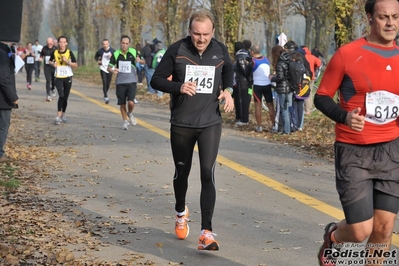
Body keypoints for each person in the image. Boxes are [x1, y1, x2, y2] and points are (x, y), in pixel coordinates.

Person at [315, 1, 399, 265]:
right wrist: (345, 117)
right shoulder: (348, 54)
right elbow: (322, 97)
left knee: (384, 229)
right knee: (361, 230)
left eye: (395, 17)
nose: (390, 23)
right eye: (384, 17)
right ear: (369, 18)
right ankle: (334, 237)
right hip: (354, 151)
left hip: (392, 150)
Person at [150, 10, 234, 251]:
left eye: (206, 34)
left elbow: (228, 70)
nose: (201, 38)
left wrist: (227, 89)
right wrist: (178, 86)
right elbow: (155, 80)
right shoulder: (177, 50)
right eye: (197, 33)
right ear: (189, 31)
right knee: (182, 174)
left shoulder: (219, 49)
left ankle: (206, 232)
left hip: (210, 122)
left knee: (207, 172)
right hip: (182, 123)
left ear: (213, 32)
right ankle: (180, 211)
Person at [108, 35, 140, 130]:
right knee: (122, 103)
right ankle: (125, 121)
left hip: (132, 81)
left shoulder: (134, 52)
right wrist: (113, 70)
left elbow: (143, 61)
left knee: (131, 102)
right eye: (123, 43)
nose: (125, 45)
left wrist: (139, 60)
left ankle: (130, 113)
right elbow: (109, 67)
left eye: (126, 43)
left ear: (129, 44)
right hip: (120, 82)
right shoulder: (116, 54)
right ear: (120, 43)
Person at [49, 36, 78, 125]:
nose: (62, 44)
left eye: (63, 42)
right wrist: (53, 64)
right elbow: (50, 61)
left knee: (65, 97)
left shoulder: (69, 52)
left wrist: (68, 62)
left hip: (68, 77)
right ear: (58, 43)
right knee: (61, 95)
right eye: (60, 42)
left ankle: (63, 114)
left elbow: (75, 65)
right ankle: (58, 116)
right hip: (58, 77)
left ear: (66, 43)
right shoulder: (55, 52)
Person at [0, 41, 19, 162]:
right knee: (3, 126)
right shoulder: (2, 54)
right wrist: (13, 97)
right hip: (3, 98)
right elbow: (4, 78)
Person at [250, 44, 275, 132]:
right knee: (271, 105)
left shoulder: (252, 61)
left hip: (257, 86)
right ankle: (274, 125)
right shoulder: (266, 59)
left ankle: (259, 126)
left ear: (252, 52)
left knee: (258, 106)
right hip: (267, 85)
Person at [270, 45, 292, 134]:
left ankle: (286, 131)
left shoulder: (280, 63)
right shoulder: (288, 60)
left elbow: (280, 78)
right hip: (289, 88)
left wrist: (272, 78)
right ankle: (287, 128)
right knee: (287, 109)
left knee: (283, 110)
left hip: (283, 89)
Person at [234, 41, 252, 126]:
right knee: (248, 97)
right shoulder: (248, 53)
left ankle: (244, 119)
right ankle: (245, 117)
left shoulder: (240, 55)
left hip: (243, 81)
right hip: (250, 82)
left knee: (243, 99)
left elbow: (243, 68)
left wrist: (246, 76)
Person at [302, 45, 321, 116]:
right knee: (309, 92)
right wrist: (315, 68)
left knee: (306, 92)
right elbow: (319, 63)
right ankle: (309, 107)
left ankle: (307, 110)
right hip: (312, 76)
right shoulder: (312, 57)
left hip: (305, 77)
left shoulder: (303, 57)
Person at [94, 39, 115, 104]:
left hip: (110, 68)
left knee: (108, 83)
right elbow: (96, 56)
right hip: (103, 68)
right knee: (104, 82)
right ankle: (106, 96)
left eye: (106, 44)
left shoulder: (113, 51)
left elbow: (117, 58)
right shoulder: (100, 51)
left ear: (108, 44)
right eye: (104, 44)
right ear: (102, 44)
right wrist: (98, 60)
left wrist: (112, 56)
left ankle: (105, 92)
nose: (105, 45)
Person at [40, 37, 57, 102]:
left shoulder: (55, 49)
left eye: (50, 43)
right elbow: (41, 55)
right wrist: (40, 58)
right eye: (48, 43)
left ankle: (53, 88)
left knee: (54, 80)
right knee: (48, 80)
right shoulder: (44, 48)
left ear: (52, 43)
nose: (49, 44)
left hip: (54, 66)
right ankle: (48, 95)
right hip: (46, 67)